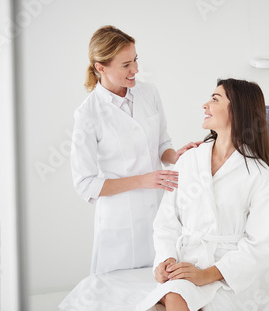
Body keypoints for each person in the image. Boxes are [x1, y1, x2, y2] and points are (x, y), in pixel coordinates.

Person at [132, 79, 269, 311]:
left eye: (215, 99)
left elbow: (260, 246)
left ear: (237, 109)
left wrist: (207, 274)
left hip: (229, 275)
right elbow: (167, 220)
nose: (205, 105)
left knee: (181, 300)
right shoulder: (189, 160)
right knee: (177, 294)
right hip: (185, 263)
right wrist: (166, 260)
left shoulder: (257, 172)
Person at [71, 25, 200, 275]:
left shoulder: (148, 92)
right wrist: (143, 180)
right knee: (119, 300)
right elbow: (85, 184)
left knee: (161, 288)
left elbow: (162, 144)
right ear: (101, 67)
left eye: (135, 60)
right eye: (126, 65)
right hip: (120, 224)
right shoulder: (88, 114)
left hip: (160, 213)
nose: (136, 70)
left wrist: (176, 156)